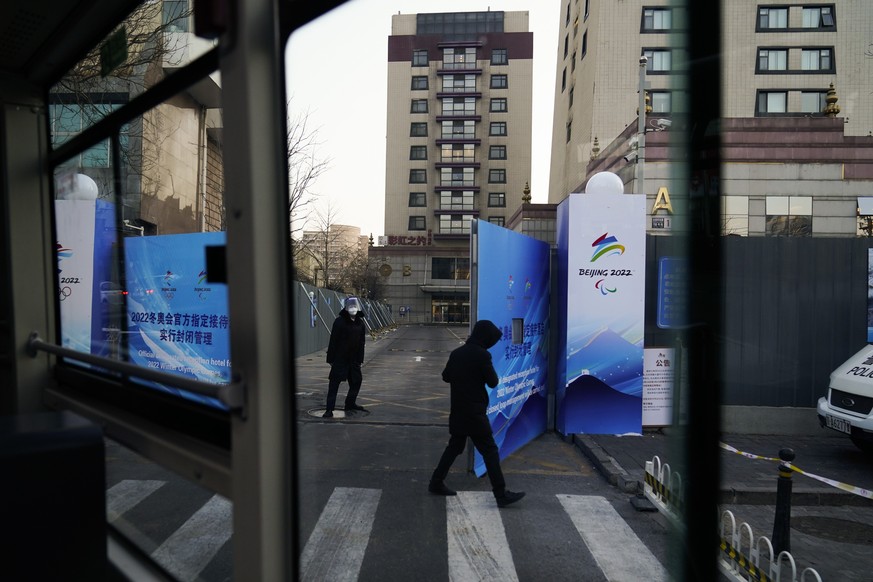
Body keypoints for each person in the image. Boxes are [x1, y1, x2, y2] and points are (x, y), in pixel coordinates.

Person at [428, 319, 525, 508]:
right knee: (489, 450)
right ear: (485, 338)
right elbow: (493, 382)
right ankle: (500, 494)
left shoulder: (457, 353)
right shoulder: (482, 356)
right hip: (475, 413)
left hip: (458, 410)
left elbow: (445, 376)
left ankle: (436, 481)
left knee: (455, 447)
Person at [323, 296, 367, 418]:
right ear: (347, 308)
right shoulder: (340, 321)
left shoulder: (360, 323)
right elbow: (333, 341)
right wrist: (331, 359)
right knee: (334, 384)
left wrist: (360, 359)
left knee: (356, 381)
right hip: (340, 359)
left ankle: (350, 403)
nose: (353, 308)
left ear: (358, 308)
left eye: (355, 306)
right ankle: (329, 409)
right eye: (351, 306)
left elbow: (362, 343)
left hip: (354, 360)